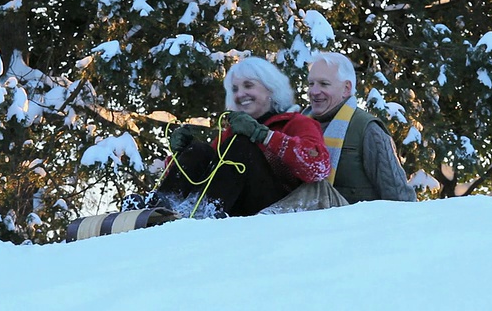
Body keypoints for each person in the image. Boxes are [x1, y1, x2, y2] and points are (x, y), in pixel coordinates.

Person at [125, 56, 332, 217]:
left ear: (270, 88)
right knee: (200, 150)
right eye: (235, 89)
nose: (240, 94)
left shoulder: (297, 123)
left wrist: (265, 136)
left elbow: (318, 168)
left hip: (277, 209)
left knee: (242, 146)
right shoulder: (231, 133)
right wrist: (182, 154)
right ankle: (161, 205)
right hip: (235, 206)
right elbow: (209, 169)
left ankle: (205, 211)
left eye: (249, 85)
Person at [304, 52, 416, 203]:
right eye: (311, 84)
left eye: (324, 84)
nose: (314, 92)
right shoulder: (297, 126)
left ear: (346, 88)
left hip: (355, 226)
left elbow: (399, 198)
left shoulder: (368, 130)